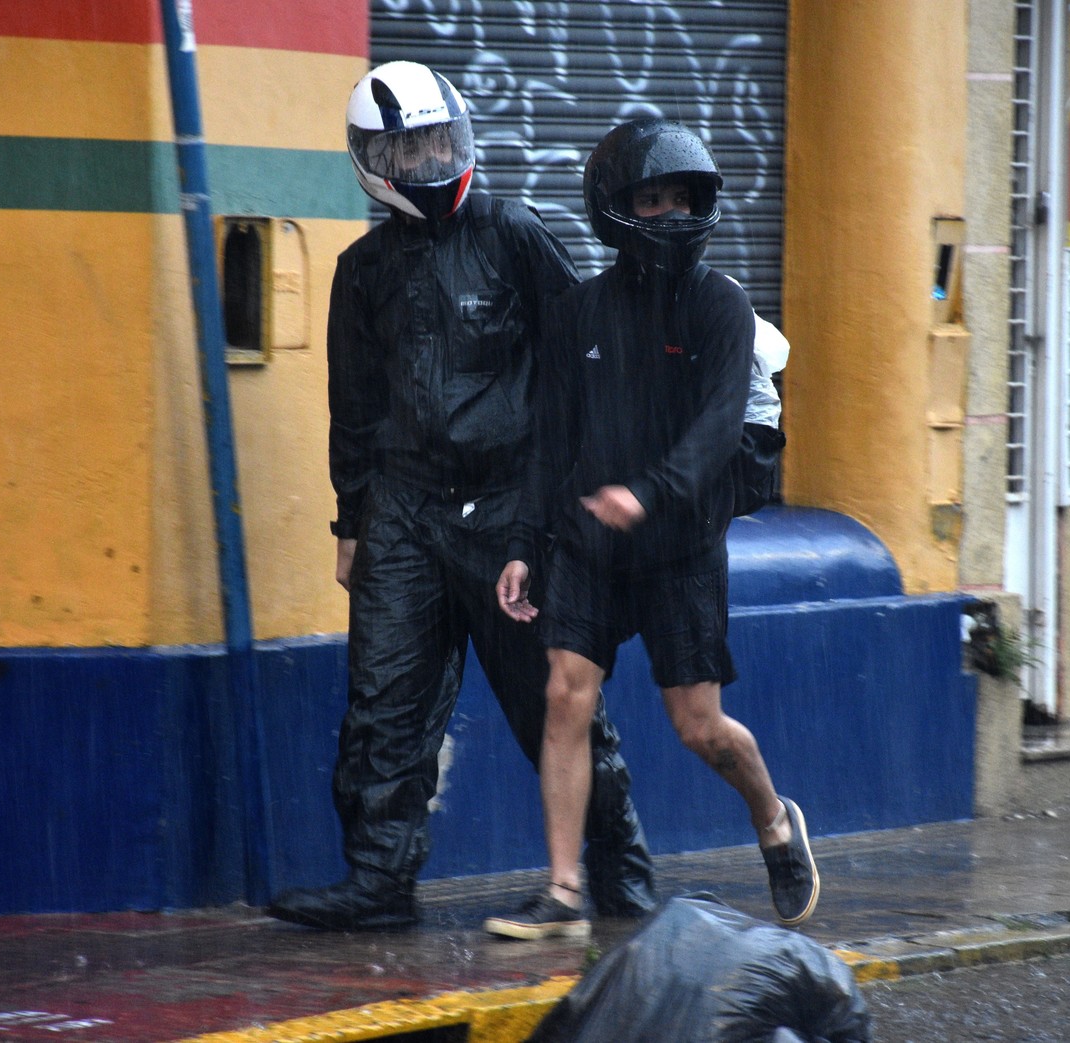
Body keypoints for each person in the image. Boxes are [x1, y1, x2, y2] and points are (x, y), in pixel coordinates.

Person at [263, 61, 656, 932]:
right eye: (408, 147)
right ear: (373, 161)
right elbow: (353, 406)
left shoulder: (513, 232)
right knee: (383, 704)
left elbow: (585, 360)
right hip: (401, 509)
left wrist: (573, 499)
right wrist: (350, 523)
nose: (430, 159)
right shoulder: (361, 270)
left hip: (512, 505)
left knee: (548, 699)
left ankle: (621, 871)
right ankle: (376, 880)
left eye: (439, 139)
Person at [483, 118, 820, 940]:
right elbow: (549, 437)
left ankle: (775, 819)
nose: (668, 213)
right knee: (564, 693)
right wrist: (524, 542)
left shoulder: (719, 304)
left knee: (697, 725)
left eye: (682, 199)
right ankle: (563, 892)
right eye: (650, 198)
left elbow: (715, 430)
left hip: (679, 547)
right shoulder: (577, 315)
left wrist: (651, 491)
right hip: (590, 544)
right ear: (613, 206)